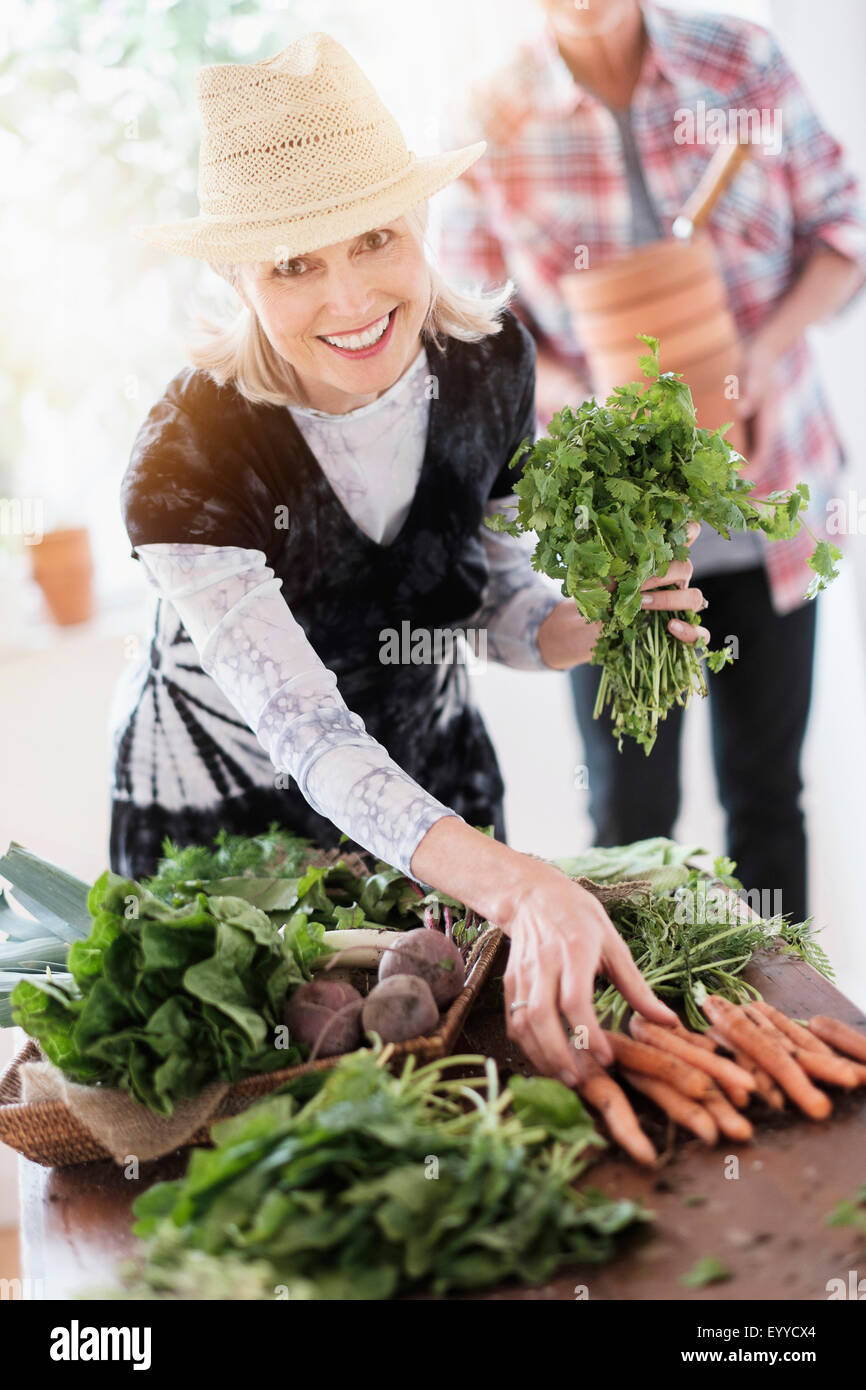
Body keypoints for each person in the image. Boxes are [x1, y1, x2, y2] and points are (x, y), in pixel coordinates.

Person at [111, 31, 711, 1081]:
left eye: (374, 239)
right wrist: (519, 882)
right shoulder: (183, 459)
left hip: (433, 785)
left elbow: (489, 597)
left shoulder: (488, 366)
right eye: (294, 263)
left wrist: (593, 626)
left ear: (424, 221)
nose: (348, 300)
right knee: (265, 1103)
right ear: (237, 276)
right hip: (232, 831)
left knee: (448, 1078)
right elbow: (304, 730)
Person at [438, 0, 866, 925]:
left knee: (766, 797)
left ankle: (786, 1037)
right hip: (615, 539)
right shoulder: (491, 114)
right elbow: (475, 329)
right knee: (630, 814)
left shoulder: (738, 59)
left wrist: (760, 351)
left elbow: (844, 230)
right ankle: (642, 1039)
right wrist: (584, 396)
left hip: (765, 504)